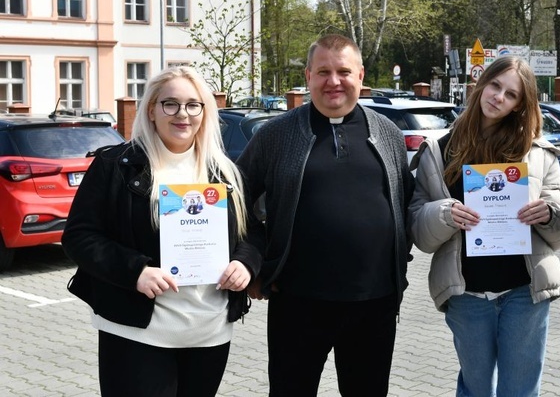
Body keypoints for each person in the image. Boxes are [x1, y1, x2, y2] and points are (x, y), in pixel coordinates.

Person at [62, 66, 260, 397]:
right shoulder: (116, 166)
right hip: (137, 333)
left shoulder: (225, 173)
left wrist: (245, 263)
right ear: (152, 110)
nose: (183, 114)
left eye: (193, 105)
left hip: (208, 332)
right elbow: (79, 236)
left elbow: (253, 233)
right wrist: (135, 270)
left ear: (205, 112)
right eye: (170, 104)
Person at [237, 34, 414, 396]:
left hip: (374, 304)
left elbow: (407, 205)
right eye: (323, 72)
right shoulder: (276, 135)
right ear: (308, 76)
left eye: (343, 71)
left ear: (361, 75)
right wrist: (251, 262)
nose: (334, 81)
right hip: (298, 303)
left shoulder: (388, 133)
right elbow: (233, 200)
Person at [408, 57, 560, 397]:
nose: (499, 97)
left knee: (520, 392)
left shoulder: (537, 153)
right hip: (467, 293)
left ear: (518, 106)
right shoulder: (438, 151)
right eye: (495, 86)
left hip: (525, 293)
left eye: (511, 95)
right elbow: (418, 230)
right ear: (482, 83)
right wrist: (444, 214)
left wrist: (549, 214)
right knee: (475, 390)